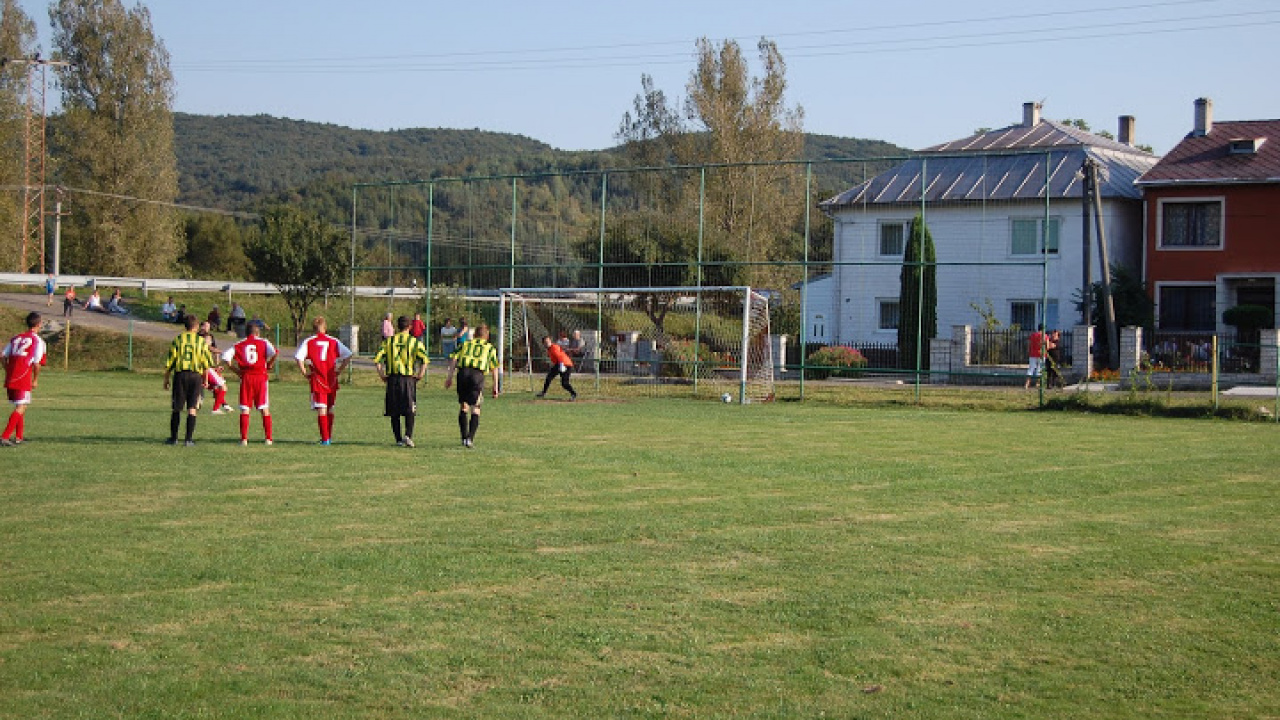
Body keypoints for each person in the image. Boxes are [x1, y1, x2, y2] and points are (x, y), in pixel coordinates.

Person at [294, 316, 353, 445]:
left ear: (313, 329)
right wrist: (339, 370)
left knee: (322, 408)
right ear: (325, 328)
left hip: (318, 378)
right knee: (330, 408)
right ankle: (328, 437)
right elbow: (348, 354)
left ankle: (325, 439)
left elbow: (298, 358)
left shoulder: (309, 341)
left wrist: (304, 372)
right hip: (331, 378)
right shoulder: (333, 341)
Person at [374, 315, 429, 447]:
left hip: (392, 378)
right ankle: (408, 436)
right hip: (408, 379)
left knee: (394, 410)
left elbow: (377, 360)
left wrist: (382, 375)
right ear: (410, 326)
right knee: (410, 408)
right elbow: (424, 360)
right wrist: (420, 374)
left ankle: (398, 439)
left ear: (397, 326)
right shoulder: (414, 342)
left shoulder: (389, 341)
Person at [222, 319, 277, 446]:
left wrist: (235, 370)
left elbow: (226, 357)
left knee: (245, 408)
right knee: (264, 408)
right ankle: (268, 438)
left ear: (246, 333)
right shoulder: (264, 342)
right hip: (260, 377)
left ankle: (244, 439)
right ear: (258, 333)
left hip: (246, 377)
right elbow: (274, 352)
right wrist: (270, 363)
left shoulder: (239, 344)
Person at [163, 314, 215, 446]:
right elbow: (206, 363)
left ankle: (174, 438)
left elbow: (170, 361)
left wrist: (166, 379)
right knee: (192, 407)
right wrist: (206, 379)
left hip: (180, 375)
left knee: (177, 407)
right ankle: (188, 439)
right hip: (195, 376)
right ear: (196, 326)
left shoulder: (178, 339)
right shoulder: (201, 341)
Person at [444, 323, 500, 448]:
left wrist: (449, 378)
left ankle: (464, 437)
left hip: (463, 373)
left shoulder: (465, 344)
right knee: (476, 407)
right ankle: (469, 439)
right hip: (477, 375)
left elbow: (454, 359)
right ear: (487, 336)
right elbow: (494, 368)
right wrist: (495, 387)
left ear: (474, 335)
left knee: (464, 406)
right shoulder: (490, 348)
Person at [1, 312, 47, 446]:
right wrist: (35, 379)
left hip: (11, 376)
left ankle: (19, 437)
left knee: (21, 405)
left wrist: (7, 369)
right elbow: (37, 363)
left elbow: (2, 355)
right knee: (21, 407)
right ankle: (4, 437)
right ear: (39, 324)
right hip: (23, 376)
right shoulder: (38, 340)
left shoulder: (16, 337)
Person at [536, 335, 577, 401]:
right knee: (549, 377)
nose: (547, 343)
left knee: (564, 383)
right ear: (543, 344)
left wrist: (561, 365)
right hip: (559, 364)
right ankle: (543, 392)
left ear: (550, 341)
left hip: (565, 364)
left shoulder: (554, 347)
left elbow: (559, 356)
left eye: (548, 341)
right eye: (545, 342)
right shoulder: (549, 349)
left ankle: (573, 394)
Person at [1025, 324, 1047, 389]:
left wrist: (1029, 351)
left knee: (1031, 369)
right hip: (1041, 354)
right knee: (1039, 369)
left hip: (1032, 354)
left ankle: (1027, 384)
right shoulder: (1045, 336)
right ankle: (1037, 384)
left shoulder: (1033, 335)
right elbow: (1047, 346)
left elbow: (1029, 344)